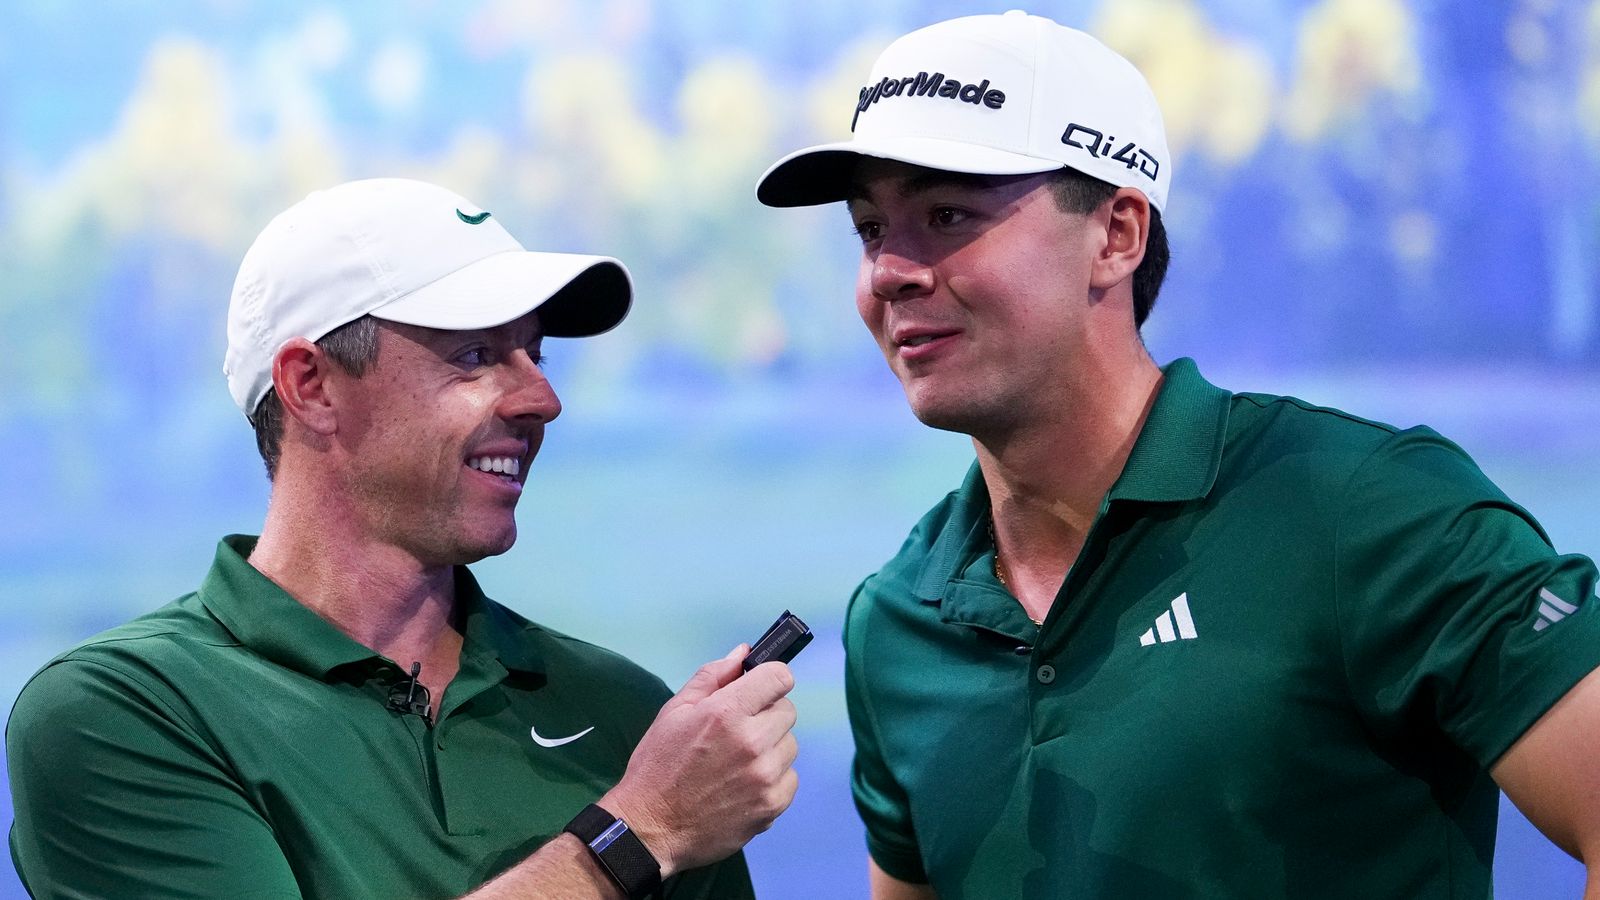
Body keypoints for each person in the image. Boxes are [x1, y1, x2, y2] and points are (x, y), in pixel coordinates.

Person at [756, 11, 1600, 899]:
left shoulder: (1366, 508)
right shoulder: (896, 619)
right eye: (869, 229)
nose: (891, 270)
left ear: (1116, 235)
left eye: (947, 213)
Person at [6, 177, 798, 900]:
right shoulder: (120, 714)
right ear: (310, 385)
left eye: (537, 352)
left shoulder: (624, 712)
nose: (543, 399)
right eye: (477, 355)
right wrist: (641, 831)